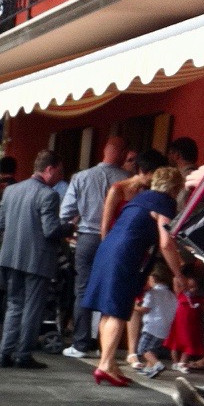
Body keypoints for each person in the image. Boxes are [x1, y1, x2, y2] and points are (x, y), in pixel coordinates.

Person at [82, 165, 187, 385]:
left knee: (108, 310)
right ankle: (104, 365)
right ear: (175, 188)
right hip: (126, 256)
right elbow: (166, 242)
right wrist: (178, 274)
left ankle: (108, 362)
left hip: (107, 250)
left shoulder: (141, 198)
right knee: (118, 311)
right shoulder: (164, 202)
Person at [0, 149, 65, 370]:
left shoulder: (11, 190)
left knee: (14, 305)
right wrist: (70, 226)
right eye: (59, 172)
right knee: (33, 308)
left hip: (10, 256)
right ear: (49, 169)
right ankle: (23, 354)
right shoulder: (48, 194)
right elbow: (51, 230)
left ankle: (5, 352)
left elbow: (0, 224)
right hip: (37, 258)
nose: (60, 177)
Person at [61, 135, 129, 358]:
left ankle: (80, 343)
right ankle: (105, 345)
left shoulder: (81, 177)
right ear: (121, 153)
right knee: (112, 288)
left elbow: (66, 212)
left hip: (87, 238)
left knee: (82, 289)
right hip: (117, 239)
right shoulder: (128, 180)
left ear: (105, 151)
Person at [129, 263, 176, 378]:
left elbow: (145, 308)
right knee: (153, 349)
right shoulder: (171, 295)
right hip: (166, 327)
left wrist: (132, 307)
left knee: (143, 349)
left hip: (152, 326)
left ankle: (157, 364)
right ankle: (150, 368)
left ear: (153, 278)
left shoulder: (152, 293)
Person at [164, 269, 204, 373]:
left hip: (193, 325)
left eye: (195, 287)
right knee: (175, 343)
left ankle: (182, 362)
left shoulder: (199, 299)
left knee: (189, 344)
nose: (193, 290)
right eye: (190, 287)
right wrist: (181, 276)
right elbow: (175, 279)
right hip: (179, 324)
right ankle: (175, 363)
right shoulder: (180, 294)